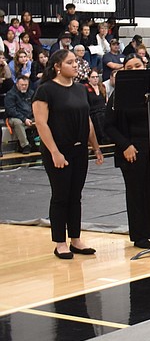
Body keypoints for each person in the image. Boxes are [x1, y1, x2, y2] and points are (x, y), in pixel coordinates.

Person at [32, 49, 105, 259]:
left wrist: (96, 147)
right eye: (70, 62)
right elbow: (41, 123)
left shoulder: (81, 89)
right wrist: (54, 152)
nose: (75, 65)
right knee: (61, 195)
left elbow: (88, 120)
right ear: (57, 66)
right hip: (58, 150)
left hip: (79, 149)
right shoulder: (45, 90)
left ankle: (75, 239)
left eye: (76, 62)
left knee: (76, 195)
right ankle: (60, 242)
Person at [105, 56, 150, 248]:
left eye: (138, 65)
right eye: (129, 67)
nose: (135, 69)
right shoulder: (119, 94)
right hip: (131, 149)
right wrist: (125, 145)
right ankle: (139, 235)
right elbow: (109, 125)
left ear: (145, 66)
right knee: (136, 193)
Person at [5, 75, 37, 153]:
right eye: (22, 85)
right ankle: (25, 146)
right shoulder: (10, 94)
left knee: (42, 119)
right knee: (18, 122)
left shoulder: (31, 93)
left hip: (29, 116)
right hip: (14, 118)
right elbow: (11, 111)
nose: (24, 87)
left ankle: (41, 143)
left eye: (26, 85)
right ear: (17, 84)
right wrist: (24, 119)